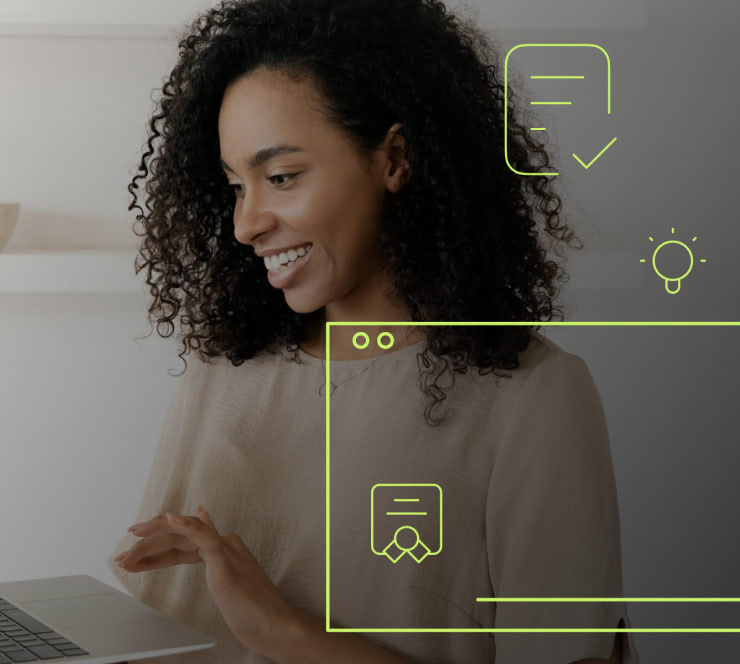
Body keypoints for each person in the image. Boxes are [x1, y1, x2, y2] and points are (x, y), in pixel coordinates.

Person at [106, 0, 640, 662]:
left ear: (393, 159)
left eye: (280, 177)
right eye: (235, 186)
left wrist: (282, 631)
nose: (247, 224)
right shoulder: (222, 371)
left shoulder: (531, 397)